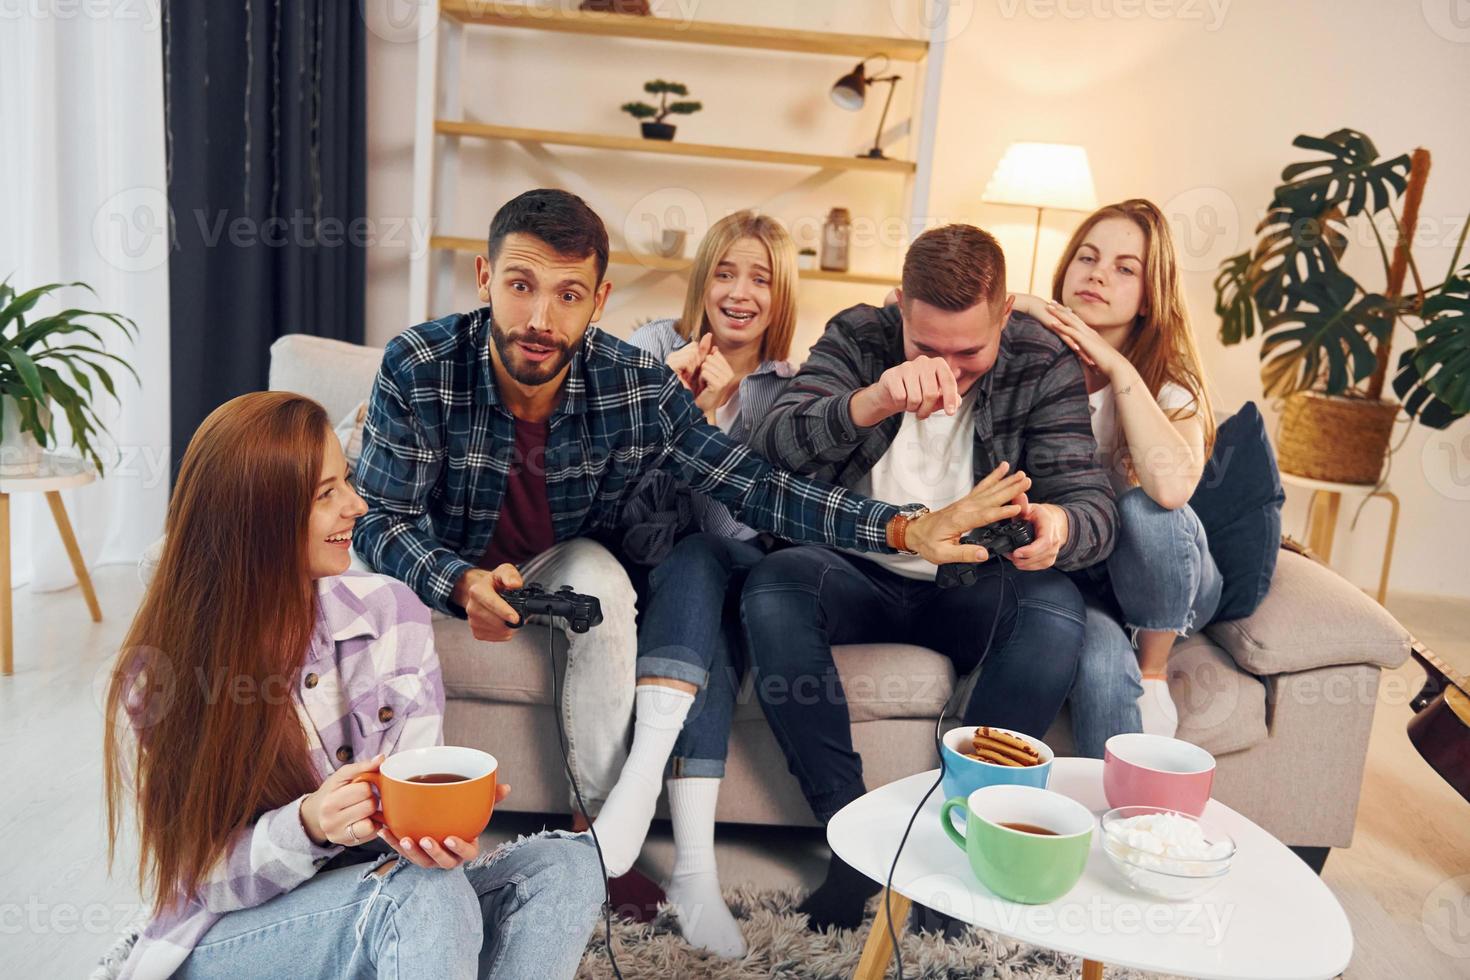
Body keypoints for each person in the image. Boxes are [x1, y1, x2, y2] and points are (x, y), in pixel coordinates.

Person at [351, 189, 1037, 906]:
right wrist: (458, 583)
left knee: (608, 588)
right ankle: (376, 826)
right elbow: (381, 518)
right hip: (436, 550)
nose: (538, 319)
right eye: (520, 286)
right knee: (357, 578)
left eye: (567, 295)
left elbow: (759, 488)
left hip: (555, 557)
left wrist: (901, 528)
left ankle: (592, 851)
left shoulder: (632, 384)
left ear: (599, 299)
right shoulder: (420, 363)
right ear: (485, 278)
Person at [103, 392, 604, 980]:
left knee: (567, 866)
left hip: (385, 904)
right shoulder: (164, 671)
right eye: (326, 494)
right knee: (418, 898)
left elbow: (412, 798)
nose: (358, 506)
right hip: (234, 939)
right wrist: (310, 824)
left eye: (348, 481)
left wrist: (434, 833)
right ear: (259, 513)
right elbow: (202, 875)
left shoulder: (392, 613)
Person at [743, 223, 1119, 931]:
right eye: (927, 347)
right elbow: (773, 444)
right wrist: (874, 399)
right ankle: (852, 843)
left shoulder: (1040, 360)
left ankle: (964, 839)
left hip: (973, 578)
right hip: (856, 566)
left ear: (1006, 314)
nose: (948, 370)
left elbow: (1092, 507)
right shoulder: (860, 337)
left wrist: (1061, 528)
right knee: (775, 585)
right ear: (899, 307)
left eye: (970, 350)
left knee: (1057, 610)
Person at [622, 209, 798, 955]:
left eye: (759, 277)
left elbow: (733, 533)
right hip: (644, 557)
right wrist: (664, 412)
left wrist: (716, 424)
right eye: (724, 272)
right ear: (702, 280)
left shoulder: (788, 388)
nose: (739, 292)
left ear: (780, 293)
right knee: (707, 625)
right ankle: (694, 875)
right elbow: (611, 490)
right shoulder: (649, 348)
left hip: (729, 565)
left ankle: (637, 801)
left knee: (705, 561)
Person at [1013, 198, 1219, 749]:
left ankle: (1154, 671)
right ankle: (1120, 822)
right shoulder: (1028, 362)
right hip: (1086, 577)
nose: (1098, 274)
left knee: (1141, 509)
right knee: (1101, 660)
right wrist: (1029, 305)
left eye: (1125, 268)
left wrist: (1117, 365)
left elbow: (1173, 493)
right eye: (1087, 257)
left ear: (1150, 295)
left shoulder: (1170, 385)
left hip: (1171, 582)